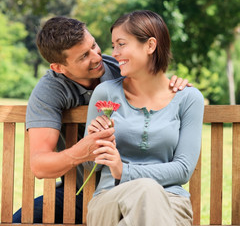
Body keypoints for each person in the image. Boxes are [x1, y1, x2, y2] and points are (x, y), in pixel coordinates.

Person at [12, 16, 190, 224]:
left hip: (142, 186)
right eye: (83, 56)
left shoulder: (117, 68)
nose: (97, 57)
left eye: (94, 45)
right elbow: (40, 165)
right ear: (59, 68)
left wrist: (175, 84)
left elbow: (155, 85)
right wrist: (81, 152)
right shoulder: (49, 92)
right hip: (85, 192)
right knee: (19, 221)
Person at [84, 10, 205, 226]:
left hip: (171, 204)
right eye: (114, 46)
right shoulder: (105, 94)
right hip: (111, 202)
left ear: (150, 45)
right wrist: (94, 142)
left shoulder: (188, 98)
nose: (115, 53)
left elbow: (183, 169)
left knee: (147, 192)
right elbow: (90, 165)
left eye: (121, 44)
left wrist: (125, 171)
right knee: (145, 189)